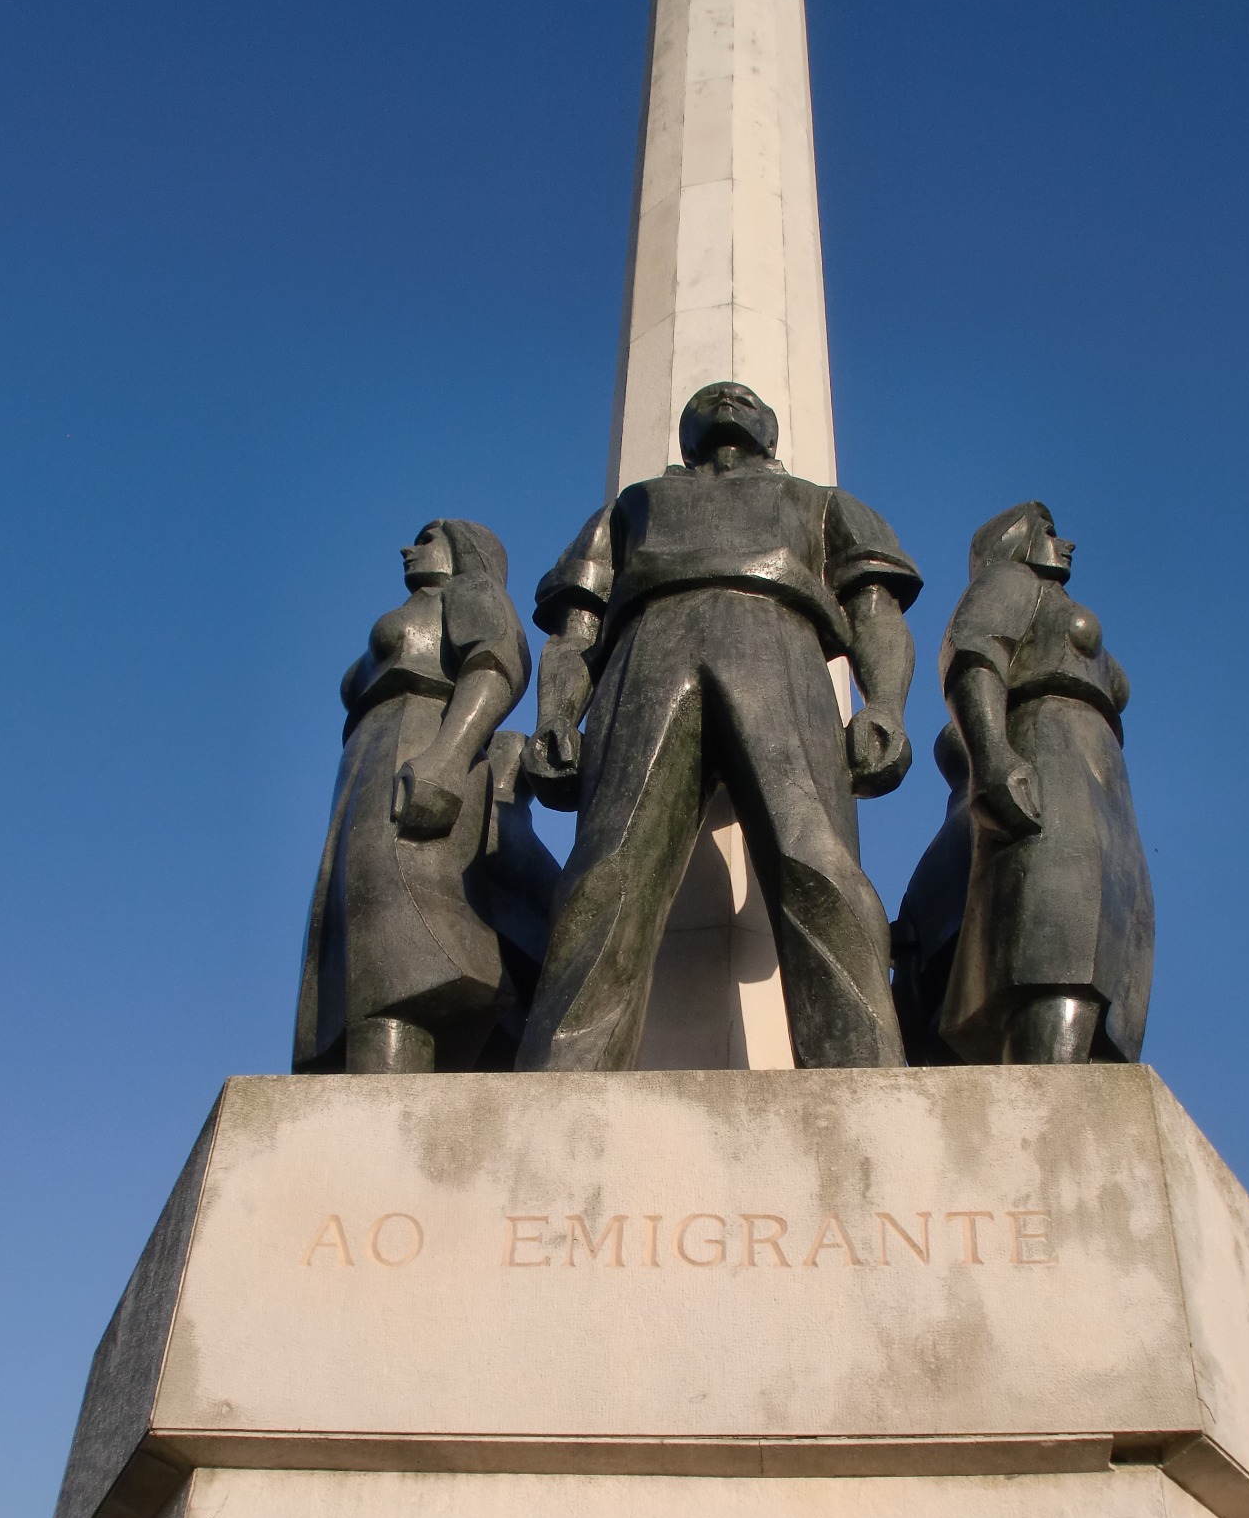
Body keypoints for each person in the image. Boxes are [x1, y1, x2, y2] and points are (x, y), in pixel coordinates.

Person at [518, 381, 921, 1071]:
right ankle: (560, 1081)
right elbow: (576, 625)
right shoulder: (633, 506)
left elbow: (876, 609)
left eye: (743, 398)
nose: (726, 400)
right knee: (609, 868)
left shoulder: (819, 503)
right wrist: (556, 713)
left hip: (780, 643)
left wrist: (882, 703)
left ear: (770, 430)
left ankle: (866, 1073)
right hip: (647, 648)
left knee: (815, 857)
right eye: (708, 397)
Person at [293, 519, 556, 1074]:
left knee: (397, 948)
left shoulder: (471, 591)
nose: (410, 549)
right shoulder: (423, 607)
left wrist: (447, 757)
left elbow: (495, 662)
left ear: (466, 550)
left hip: (420, 742)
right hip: (368, 762)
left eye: (429, 538)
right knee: (360, 944)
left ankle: (385, 1110)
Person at [939, 501, 1154, 1064]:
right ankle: (1046, 1100)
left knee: (1111, 944)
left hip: (1102, 779)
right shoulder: (1012, 580)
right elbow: (974, 656)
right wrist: (991, 757)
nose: (1069, 544)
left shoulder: (1054, 600)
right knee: (1057, 933)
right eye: (1051, 532)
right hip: (1047, 750)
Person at [891, 722, 972, 1065]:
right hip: (992, 1017)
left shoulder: (927, 865)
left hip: (940, 1034)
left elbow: (905, 977)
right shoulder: (987, 821)